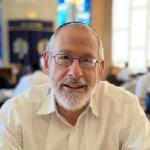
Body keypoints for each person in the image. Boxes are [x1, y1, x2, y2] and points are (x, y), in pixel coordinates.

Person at [0, 22, 150, 150]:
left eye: (87, 60)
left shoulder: (126, 109)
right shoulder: (14, 114)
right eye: (64, 58)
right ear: (47, 63)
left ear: (100, 69)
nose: (75, 73)